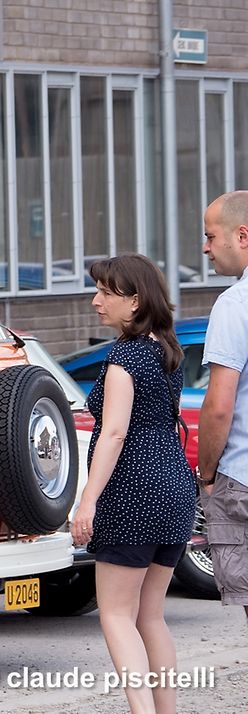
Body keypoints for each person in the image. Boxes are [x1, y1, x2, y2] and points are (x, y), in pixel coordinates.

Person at [70, 254, 196, 714]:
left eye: (105, 292)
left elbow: (115, 432)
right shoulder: (168, 350)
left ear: (135, 300)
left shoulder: (124, 357)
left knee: (117, 614)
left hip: (133, 493)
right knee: (151, 615)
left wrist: (87, 501)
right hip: (175, 490)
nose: (95, 300)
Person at [198, 191, 248, 622]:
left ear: (242, 235)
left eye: (211, 236)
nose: (206, 247)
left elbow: (218, 405)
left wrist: (208, 475)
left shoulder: (235, 304)